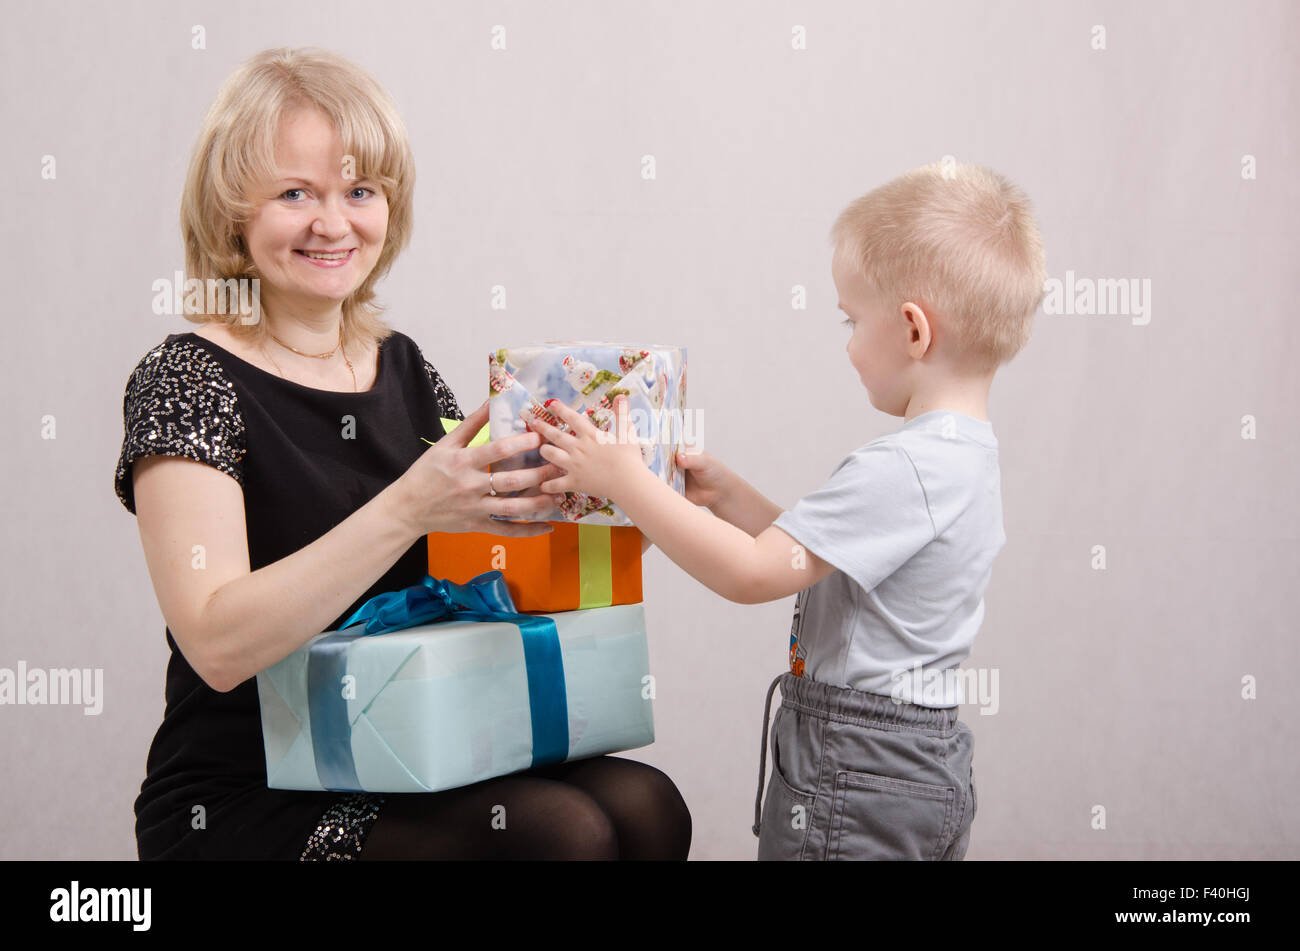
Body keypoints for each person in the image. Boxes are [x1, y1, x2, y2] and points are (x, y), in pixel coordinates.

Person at [115, 46, 691, 861]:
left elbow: (476, 574)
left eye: (359, 191)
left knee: (647, 804)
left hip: (409, 746)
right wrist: (408, 507)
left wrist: (621, 499)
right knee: (560, 836)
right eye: (293, 193)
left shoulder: (404, 365)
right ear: (230, 212)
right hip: (249, 791)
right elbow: (215, 643)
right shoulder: (186, 376)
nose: (332, 222)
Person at [522, 161, 1047, 860]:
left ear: (915, 330)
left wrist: (623, 481)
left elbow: (751, 575)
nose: (850, 344)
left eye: (853, 320)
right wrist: (734, 500)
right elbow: (844, 568)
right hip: (924, 762)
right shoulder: (967, 458)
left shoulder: (904, 467)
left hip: (856, 767)